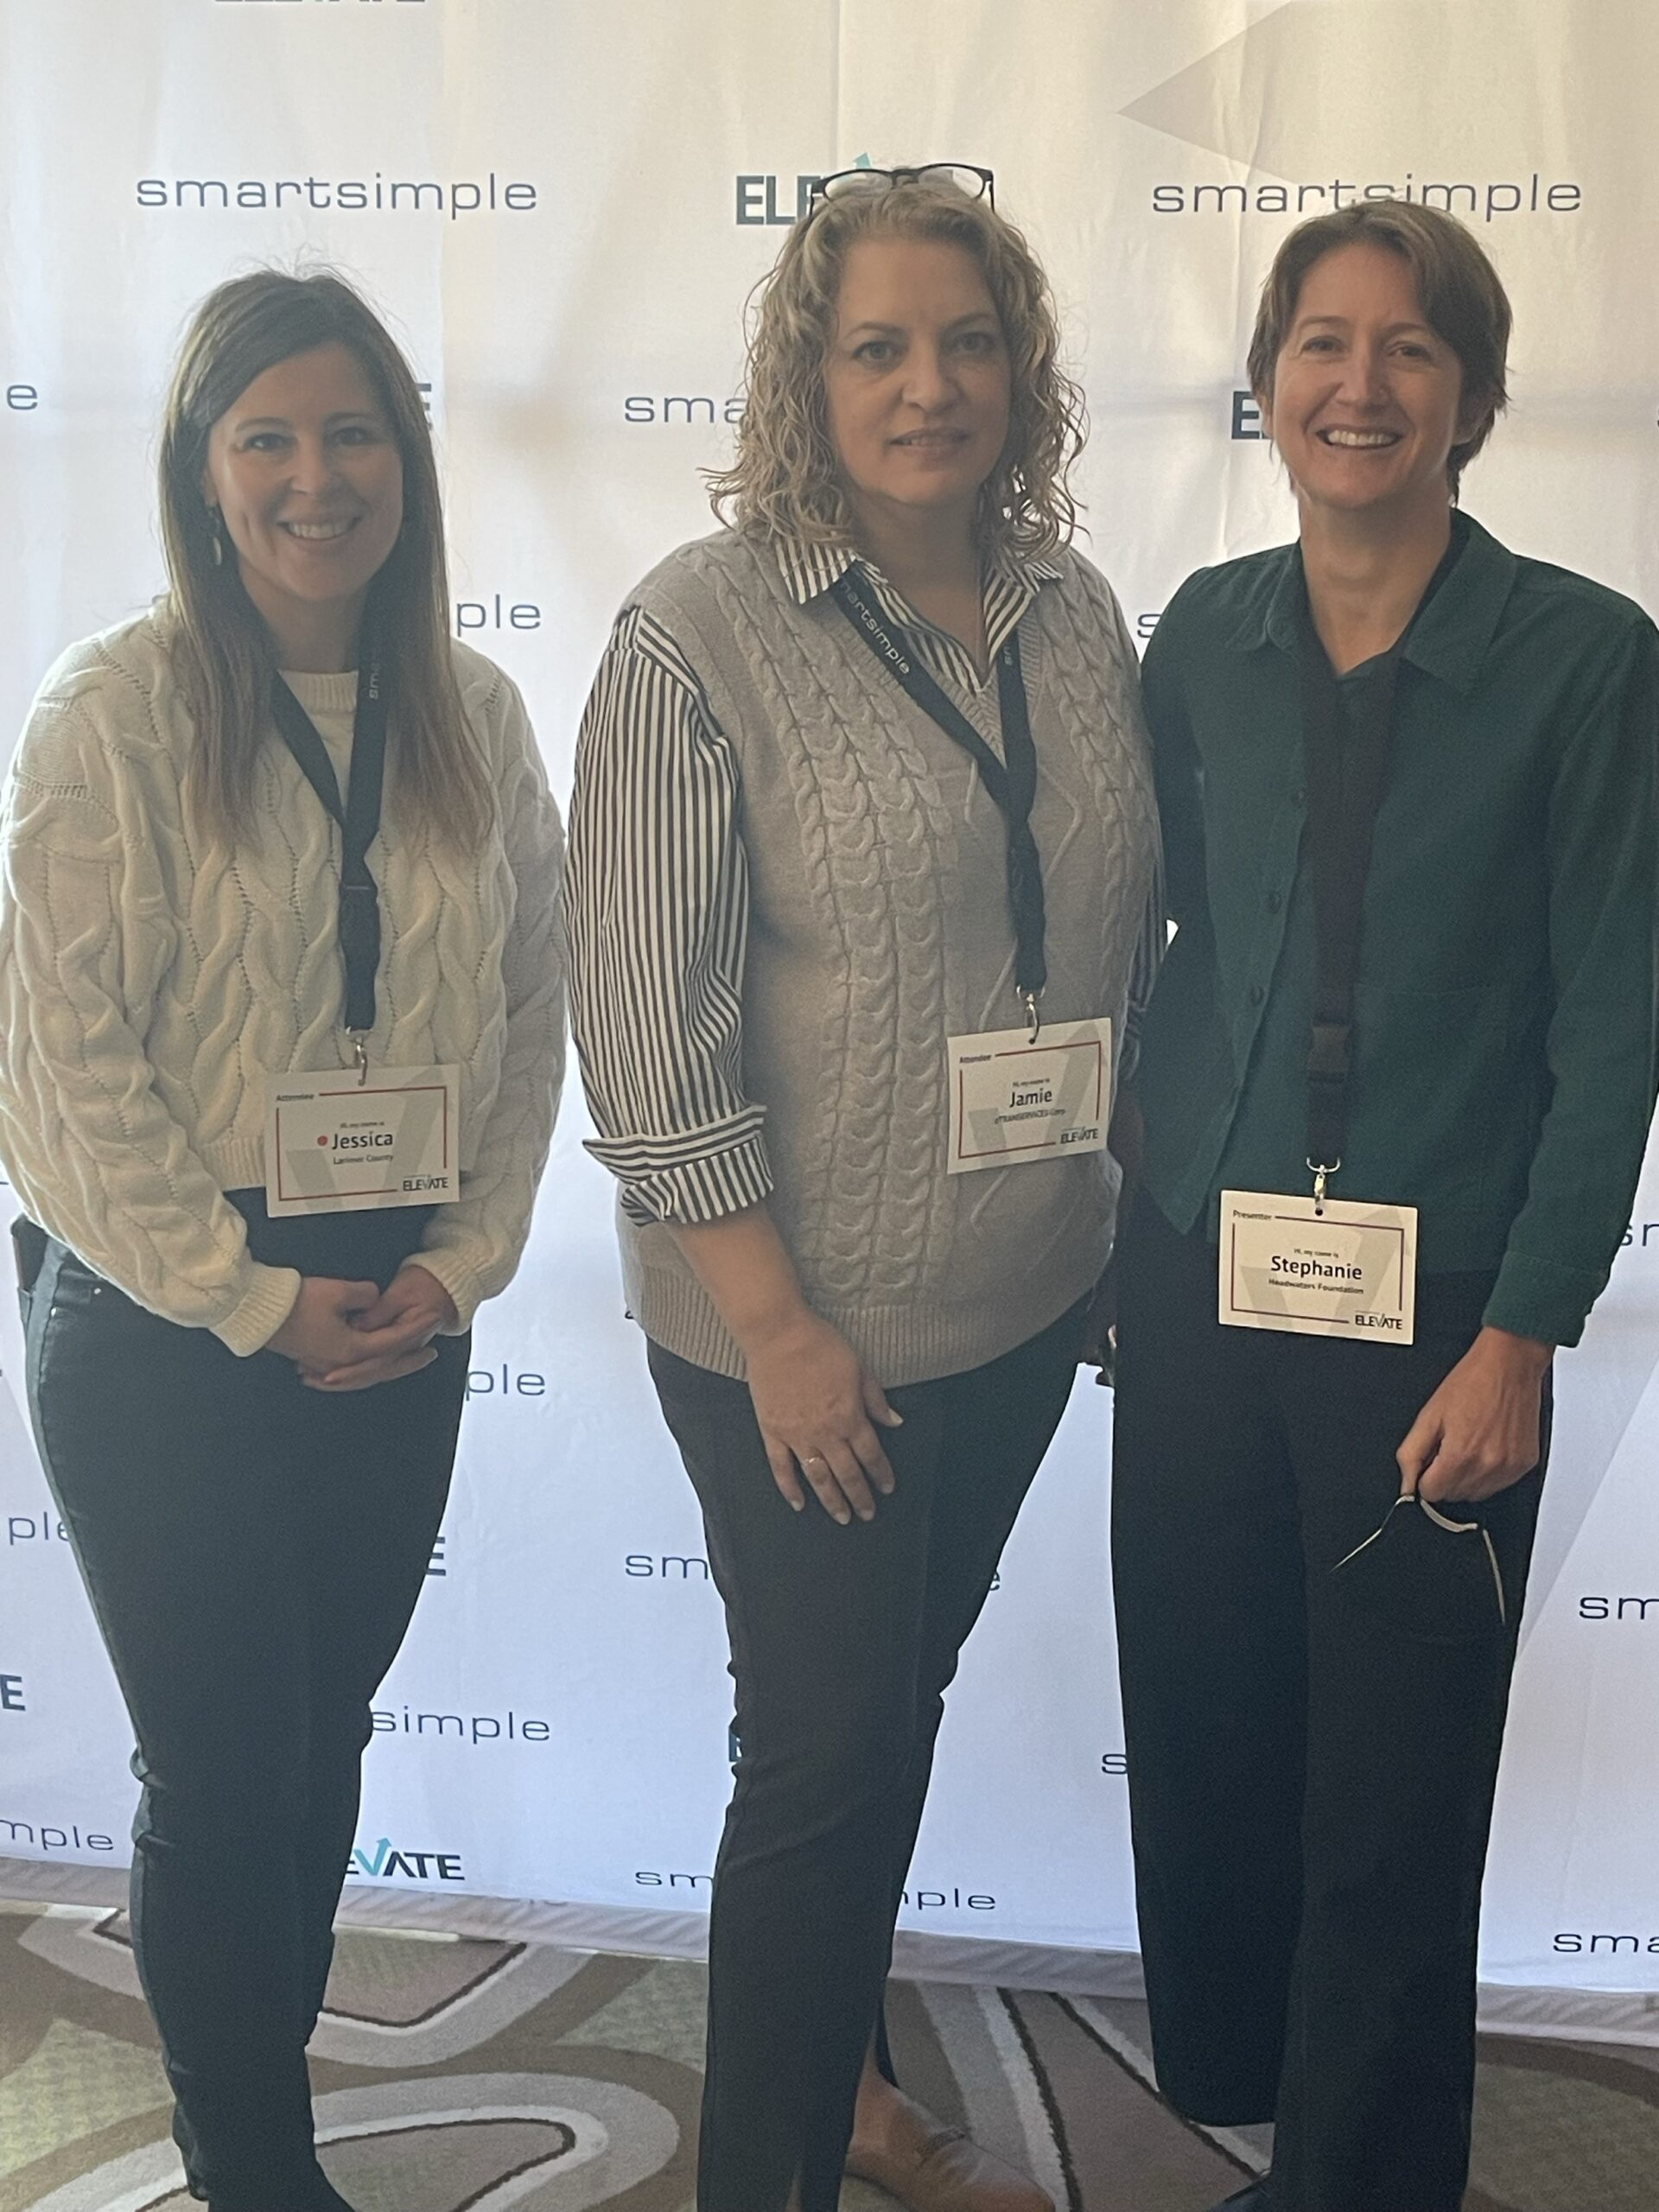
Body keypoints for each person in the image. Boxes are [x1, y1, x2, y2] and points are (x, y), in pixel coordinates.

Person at [565, 165, 1159, 2212]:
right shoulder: (696, 633)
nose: (933, 385)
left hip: (1019, 1299)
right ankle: (776, 2166)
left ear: (1025, 367)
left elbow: (1101, 946)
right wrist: (784, 1330)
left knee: (878, 1725)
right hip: (795, 1336)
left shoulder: (1073, 611)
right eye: (881, 346)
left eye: (970, 339)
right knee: (821, 1769)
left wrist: (1100, 1210)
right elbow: (647, 1036)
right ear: (805, 374)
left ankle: (840, 2087)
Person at [1112, 200, 1659, 2212]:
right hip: (1196, 1279)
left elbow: (1618, 1025)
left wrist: (1527, 1327)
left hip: (1439, 1314)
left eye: (1410, 348)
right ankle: (1294, 2141)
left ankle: (1367, 2184)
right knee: (1218, 1734)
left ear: (1477, 397)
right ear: (1267, 386)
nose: (1362, 384)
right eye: (1322, 343)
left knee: (1398, 1790)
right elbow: (1157, 942)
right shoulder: (1206, 637)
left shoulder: (1588, 661)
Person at [0, 270, 565, 2212]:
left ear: (403, 459)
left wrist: (464, 1259)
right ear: (202, 470)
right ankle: (251, 2161)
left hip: (401, 1306)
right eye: (269, 437)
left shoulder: (473, 712)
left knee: (319, 1746)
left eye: (352, 432)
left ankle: (272, 2111)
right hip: (172, 1327)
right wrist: (249, 1298)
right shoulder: (114, 718)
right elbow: (55, 1067)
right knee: (226, 1769)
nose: (316, 477)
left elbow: (525, 1020)